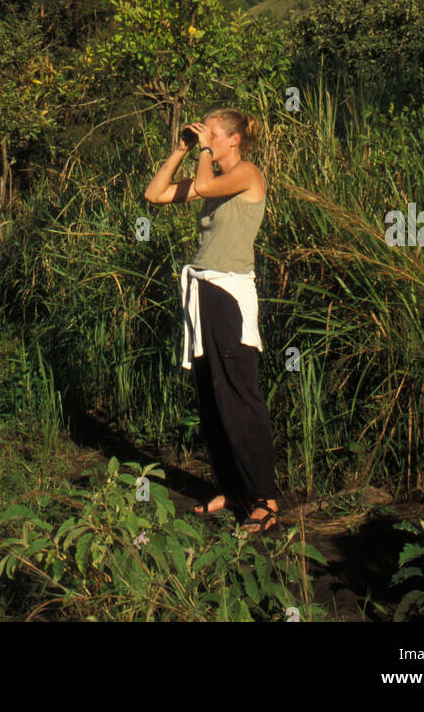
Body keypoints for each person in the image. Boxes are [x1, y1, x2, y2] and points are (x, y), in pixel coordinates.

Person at [144, 107, 279, 534]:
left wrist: (201, 152)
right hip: (201, 292)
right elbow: (155, 194)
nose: (208, 140)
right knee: (212, 398)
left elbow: (203, 184)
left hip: (230, 294)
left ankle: (266, 497)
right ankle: (233, 489)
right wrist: (181, 149)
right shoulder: (211, 182)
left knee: (241, 398)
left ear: (234, 140)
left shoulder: (248, 174)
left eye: (213, 135)